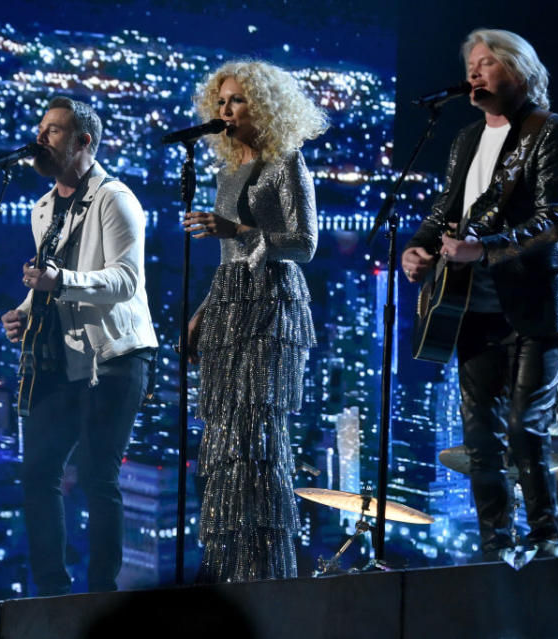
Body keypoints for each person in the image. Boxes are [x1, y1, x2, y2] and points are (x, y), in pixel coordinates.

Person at [402, 29, 558, 562]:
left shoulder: (553, 133)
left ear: (519, 71)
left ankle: (545, 539)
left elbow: (553, 220)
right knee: (480, 432)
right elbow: (446, 210)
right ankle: (495, 545)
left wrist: (485, 249)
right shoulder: (464, 140)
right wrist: (417, 248)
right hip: (470, 303)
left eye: (487, 63)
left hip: (537, 301)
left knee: (525, 426)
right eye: (472, 65)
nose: (475, 72)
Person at [0, 96, 157, 596]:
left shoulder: (116, 198)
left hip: (115, 355)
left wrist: (59, 281)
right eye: (41, 128)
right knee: (38, 471)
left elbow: (125, 280)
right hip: (64, 359)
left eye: (53, 131)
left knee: (96, 475)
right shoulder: (42, 207)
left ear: (83, 142)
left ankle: (100, 595)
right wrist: (23, 313)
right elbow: (47, 278)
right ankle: (51, 592)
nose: (41, 137)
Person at [183, 60, 328, 582]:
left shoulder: (286, 162)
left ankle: (263, 571)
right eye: (221, 101)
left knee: (257, 431)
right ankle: (226, 565)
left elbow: (305, 245)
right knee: (224, 434)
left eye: (237, 100)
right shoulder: (228, 171)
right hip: (228, 306)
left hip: (272, 308)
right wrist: (201, 312)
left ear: (263, 107)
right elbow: (228, 260)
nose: (226, 110)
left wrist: (238, 228)